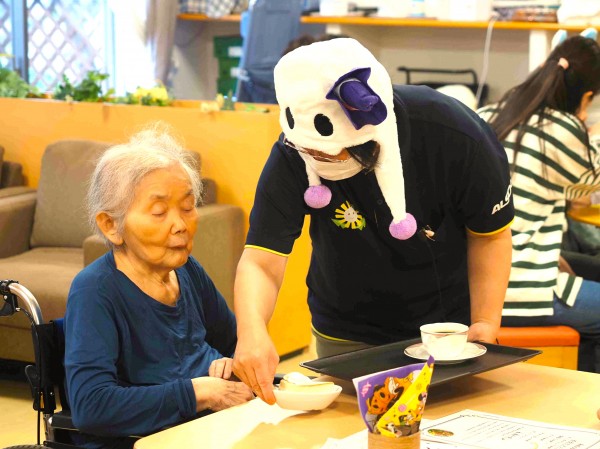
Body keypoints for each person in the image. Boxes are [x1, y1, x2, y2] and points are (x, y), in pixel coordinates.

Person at [232, 38, 514, 404]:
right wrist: (251, 330)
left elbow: (490, 236)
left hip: (444, 332)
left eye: (330, 153)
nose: (320, 160)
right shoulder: (294, 147)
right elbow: (261, 261)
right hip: (345, 331)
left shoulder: (454, 134)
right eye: (311, 153)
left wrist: (486, 323)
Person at [64, 126, 253, 449]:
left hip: (211, 428)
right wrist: (199, 392)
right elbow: (91, 406)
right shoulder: (95, 290)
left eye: (188, 207)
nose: (180, 225)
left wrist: (232, 363)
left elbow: (236, 342)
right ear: (111, 225)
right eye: (159, 212)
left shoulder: (188, 270)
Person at [478, 33, 600, 373]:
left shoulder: (489, 113)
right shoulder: (561, 128)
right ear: (586, 96)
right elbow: (589, 183)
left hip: (473, 282)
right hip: (522, 291)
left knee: (585, 263)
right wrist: (589, 128)